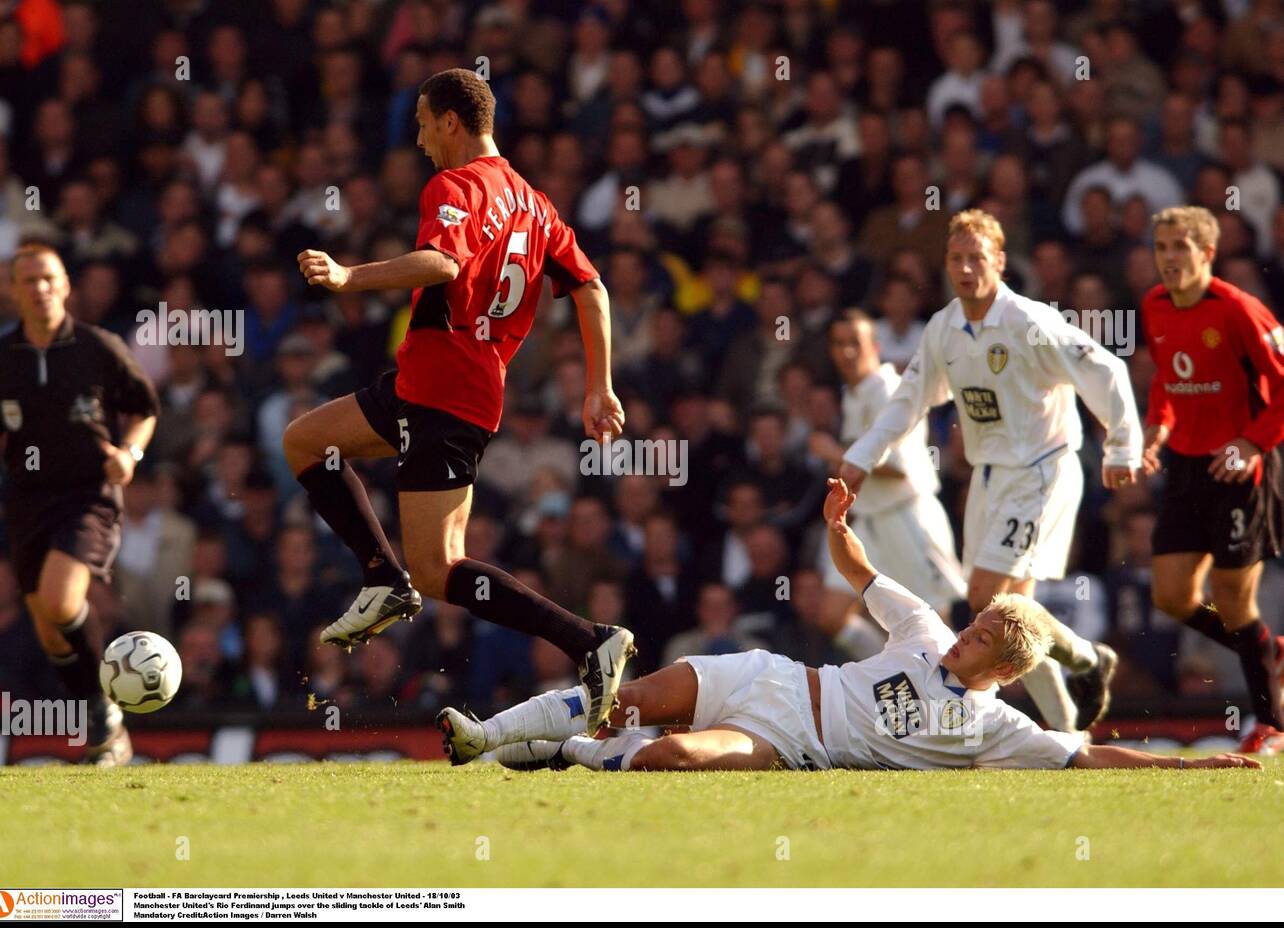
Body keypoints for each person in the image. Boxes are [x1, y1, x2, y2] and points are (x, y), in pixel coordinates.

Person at [437, 479, 1259, 775]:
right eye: (975, 628)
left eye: (983, 644)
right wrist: (837, 526)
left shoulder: (993, 726)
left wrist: (1198, 762)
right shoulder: (925, 630)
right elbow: (864, 572)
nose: (965, 639)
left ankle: (560, 751)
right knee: (625, 697)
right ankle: (487, 734)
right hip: (777, 679)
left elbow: (1087, 755)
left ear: (1006, 672)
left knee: (666, 756)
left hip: (795, 740)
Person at [284, 69, 633, 735]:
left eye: (421, 123)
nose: (417, 139)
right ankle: (383, 577)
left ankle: (590, 640)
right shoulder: (536, 205)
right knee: (304, 440)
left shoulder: (455, 184)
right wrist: (600, 383)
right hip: (431, 381)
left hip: (448, 390)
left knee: (440, 571)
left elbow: (442, 264)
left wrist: (350, 275)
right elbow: (591, 289)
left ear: (451, 120)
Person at [841, 209, 1143, 734]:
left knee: (987, 600)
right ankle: (1071, 728)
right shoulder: (944, 328)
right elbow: (908, 399)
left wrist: (1122, 446)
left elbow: (1104, 367)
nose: (965, 268)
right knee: (1011, 611)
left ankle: (1083, 668)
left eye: (976, 258)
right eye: (955, 258)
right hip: (987, 479)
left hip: (1040, 471)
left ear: (999, 261)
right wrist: (861, 456)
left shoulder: (1029, 321)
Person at [0, 243, 159, 765]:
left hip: (88, 496)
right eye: (28, 280)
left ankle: (106, 713)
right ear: (12, 290)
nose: (39, 288)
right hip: (26, 500)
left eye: (48, 278)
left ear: (65, 286)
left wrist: (129, 454)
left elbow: (144, 409)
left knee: (61, 603)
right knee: (45, 623)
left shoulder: (97, 348)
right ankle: (102, 720)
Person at [1141, 205, 1284, 755]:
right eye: (1161, 247)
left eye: (1180, 246)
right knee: (1172, 597)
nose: (1169, 258)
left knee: (1232, 601)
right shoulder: (1154, 306)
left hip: (1238, 467)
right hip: (1185, 465)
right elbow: (1166, 379)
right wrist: (1158, 430)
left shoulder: (1239, 310)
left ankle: (1269, 723)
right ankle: (1266, 650)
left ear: (1207, 252)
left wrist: (1251, 443)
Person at [807, 309, 965, 663]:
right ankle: (897, 675)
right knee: (832, 616)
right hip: (868, 521)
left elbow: (898, 471)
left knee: (937, 625)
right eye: (838, 344)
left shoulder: (889, 390)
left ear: (875, 346)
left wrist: (832, 452)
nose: (846, 352)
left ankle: (956, 704)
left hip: (907, 517)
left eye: (855, 343)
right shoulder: (854, 393)